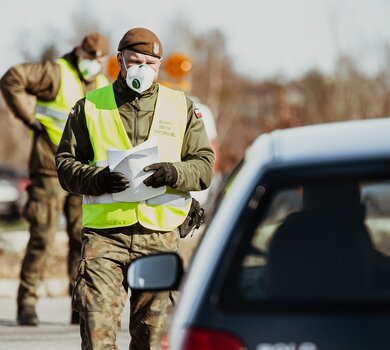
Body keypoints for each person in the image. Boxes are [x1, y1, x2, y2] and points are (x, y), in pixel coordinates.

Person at [55, 27, 215, 350]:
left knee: (153, 340)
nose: (143, 68)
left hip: (158, 237)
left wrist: (173, 172)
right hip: (105, 238)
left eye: (150, 63)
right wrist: (97, 179)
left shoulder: (181, 106)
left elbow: (204, 166)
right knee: (97, 334)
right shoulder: (89, 107)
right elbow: (65, 165)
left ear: (159, 66)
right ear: (120, 61)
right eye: (135, 60)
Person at [0, 32, 110, 326]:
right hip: (50, 170)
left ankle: (78, 307)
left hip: (83, 173)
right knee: (43, 239)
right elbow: (11, 78)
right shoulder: (55, 72)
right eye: (89, 58)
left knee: (83, 240)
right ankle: (27, 304)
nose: (94, 64)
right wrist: (29, 119)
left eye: (99, 60)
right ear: (79, 52)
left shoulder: (101, 83)